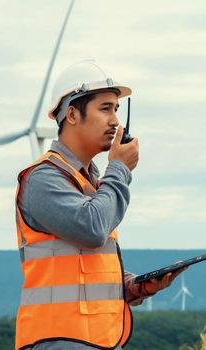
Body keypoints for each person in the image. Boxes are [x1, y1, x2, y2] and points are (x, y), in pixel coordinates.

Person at [14, 60, 186, 350]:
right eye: (105, 108)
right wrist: (119, 169)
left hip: (97, 340)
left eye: (117, 110)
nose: (115, 121)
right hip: (60, 341)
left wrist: (133, 286)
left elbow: (82, 270)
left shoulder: (91, 182)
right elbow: (91, 229)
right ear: (71, 114)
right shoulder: (43, 178)